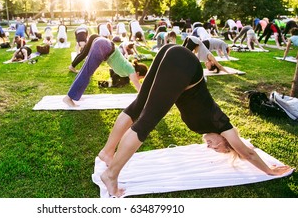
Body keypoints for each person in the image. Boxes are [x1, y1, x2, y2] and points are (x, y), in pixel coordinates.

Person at [98, 44, 292, 197]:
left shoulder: (207, 128)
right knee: (146, 121)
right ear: (226, 141)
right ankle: (111, 175)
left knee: (138, 106)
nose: (210, 147)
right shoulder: (222, 124)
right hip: (184, 63)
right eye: (218, 148)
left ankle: (107, 152)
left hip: (176, 56)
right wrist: (268, 170)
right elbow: (247, 153)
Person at [63, 37, 148, 107]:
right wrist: (148, 99)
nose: (139, 80)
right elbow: (139, 89)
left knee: (85, 72)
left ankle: (75, 95)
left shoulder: (129, 68)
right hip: (104, 46)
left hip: (104, 45)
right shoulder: (131, 71)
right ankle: (69, 98)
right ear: (138, 73)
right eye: (141, 78)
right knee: (86, 73)